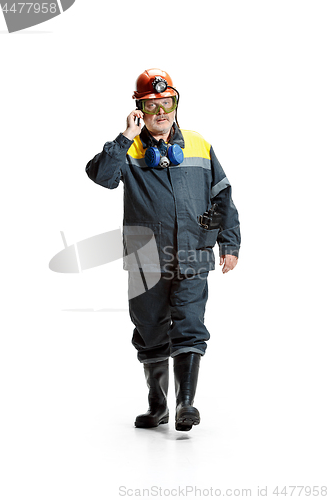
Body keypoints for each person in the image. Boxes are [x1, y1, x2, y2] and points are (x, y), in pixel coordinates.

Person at [86, 68, 241, 432]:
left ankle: (186, 403)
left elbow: (222, 194)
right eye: (152, 105)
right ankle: (158, 407)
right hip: (145, 259)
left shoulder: (199, 144)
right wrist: (126, 135)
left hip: (193, 253)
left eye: (167, 103)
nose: (161, 112)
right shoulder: (130, 149)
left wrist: (229, 241)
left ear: (175, 104)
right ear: (140, 108)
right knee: (150, 329)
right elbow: (100, 176)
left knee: (189, 326)